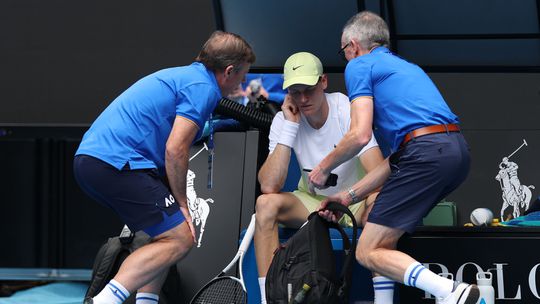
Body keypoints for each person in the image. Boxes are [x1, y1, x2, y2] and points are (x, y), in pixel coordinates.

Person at [73, 31, 255, 304]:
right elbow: (175, 148)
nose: (243, 83)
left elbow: (181, 130)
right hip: (118, 163)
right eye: (243, 76)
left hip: (92, 161)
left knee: (164, 236)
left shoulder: (186, 77)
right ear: (229, 71)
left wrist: (220, 124)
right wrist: (182, 201)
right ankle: (101, 302)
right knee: (181, 238)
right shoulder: (204, 88)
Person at [309, 11, 476, 304]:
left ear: (353, 45)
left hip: (426, 153)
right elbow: (398, 158)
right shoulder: (406, 68)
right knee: (384, 242)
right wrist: (347, 197)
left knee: (366, 250)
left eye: (343, 52)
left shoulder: (360, 65)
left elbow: (359, 134)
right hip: (454, 152)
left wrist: (322, 169)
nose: (346, 58)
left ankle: (451, 292)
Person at [254, 52, 385, 303]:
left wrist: (346, 199)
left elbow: (378, 171)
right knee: (265, 204)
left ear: (323, 82)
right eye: (295, 91)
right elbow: (269, 185)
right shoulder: (283, 120)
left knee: (381, 206)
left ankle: (383, 299)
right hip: (312, 203)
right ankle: (270, 297)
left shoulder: (346, 108)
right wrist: (290, 126)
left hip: (356, 201)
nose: (303, 99)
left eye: (309, 90)